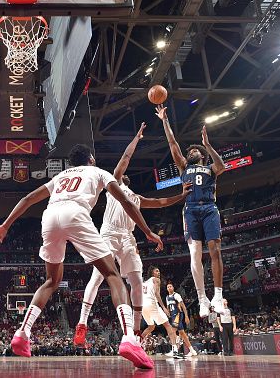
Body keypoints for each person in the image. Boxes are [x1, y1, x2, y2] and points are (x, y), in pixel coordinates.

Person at [0, 144, 162, 369]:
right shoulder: (98, 171)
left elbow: (28, 198)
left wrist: (5, 225)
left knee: (51, 281)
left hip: (50, 216)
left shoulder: (61, 176)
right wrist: (147, 232)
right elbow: (126, 202)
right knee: (112, 274)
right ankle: (129, 339)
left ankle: (22, 334)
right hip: (75, 213)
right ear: (90, 158)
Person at [74, 123, 192, 345]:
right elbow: (125, 158)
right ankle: (82, 323)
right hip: (108, 234)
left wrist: (181, 196)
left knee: (137, 280)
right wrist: (137, 137)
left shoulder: (136, 198)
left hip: (128, 238)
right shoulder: (114, 185)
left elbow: (160, 202)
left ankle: (136, 330)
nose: (124, 174)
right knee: (97, 277)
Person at [156, 104, 226, 317]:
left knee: (214, 249)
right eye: (191, 150)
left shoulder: (210, 168)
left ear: (203, 155)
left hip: (210, 209)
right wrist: (165, 121)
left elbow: (221, 165)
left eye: (197, 150)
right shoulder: (184, 167)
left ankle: (217, 295)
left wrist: (208, 145)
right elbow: (173, 144)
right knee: (195, 253)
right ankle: (202, 298)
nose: (193, 151)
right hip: (191, 210)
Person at [140, 266, 180, 358]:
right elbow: (157, 294)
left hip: (143, 306)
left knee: (151, 327)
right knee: (168, 325)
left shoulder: (144, 283)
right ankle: (175, 350)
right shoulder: (156, 279)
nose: (159, 272)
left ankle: (137, 345)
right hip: (152, 303)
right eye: (157, 271)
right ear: (152, 273)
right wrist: (164, 308)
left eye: (159, 271)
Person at [166, 282, 198, 357]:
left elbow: (183, 306)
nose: (169, 288)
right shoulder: (167, 297)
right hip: (173, 316)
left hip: (178, 315)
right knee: (182, 334)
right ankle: (192, 350)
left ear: (173, 287)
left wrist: (186, 316)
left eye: (170, 286)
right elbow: (168, 308)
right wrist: (168, 315)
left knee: (172, 331)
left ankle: (174, 350)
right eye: (168, 287)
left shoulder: (176, 295)